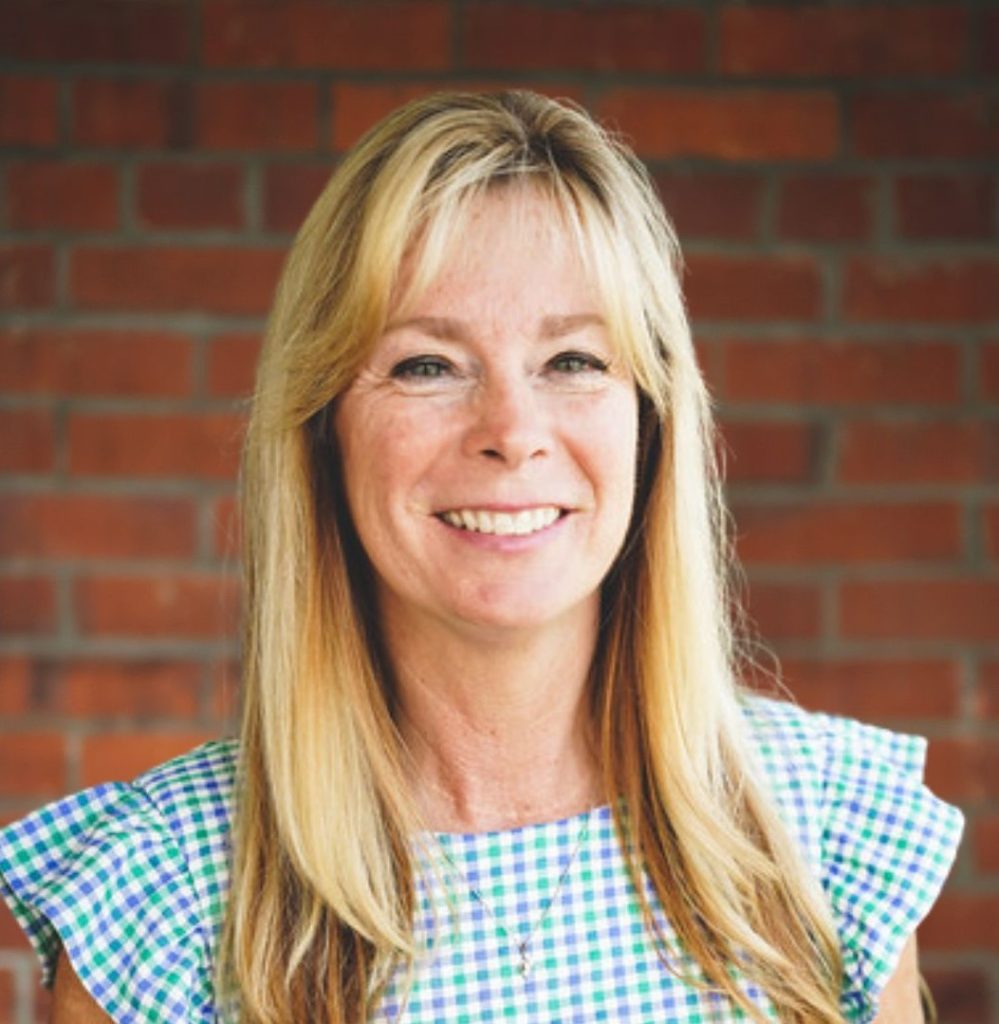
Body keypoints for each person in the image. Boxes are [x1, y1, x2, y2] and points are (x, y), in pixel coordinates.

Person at [1, 91, 962, 1024]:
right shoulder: (167, 889)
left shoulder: (828, 829)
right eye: (427, 364)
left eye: (575, 361)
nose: (512, 431)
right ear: (323, 431)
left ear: (651, 424)